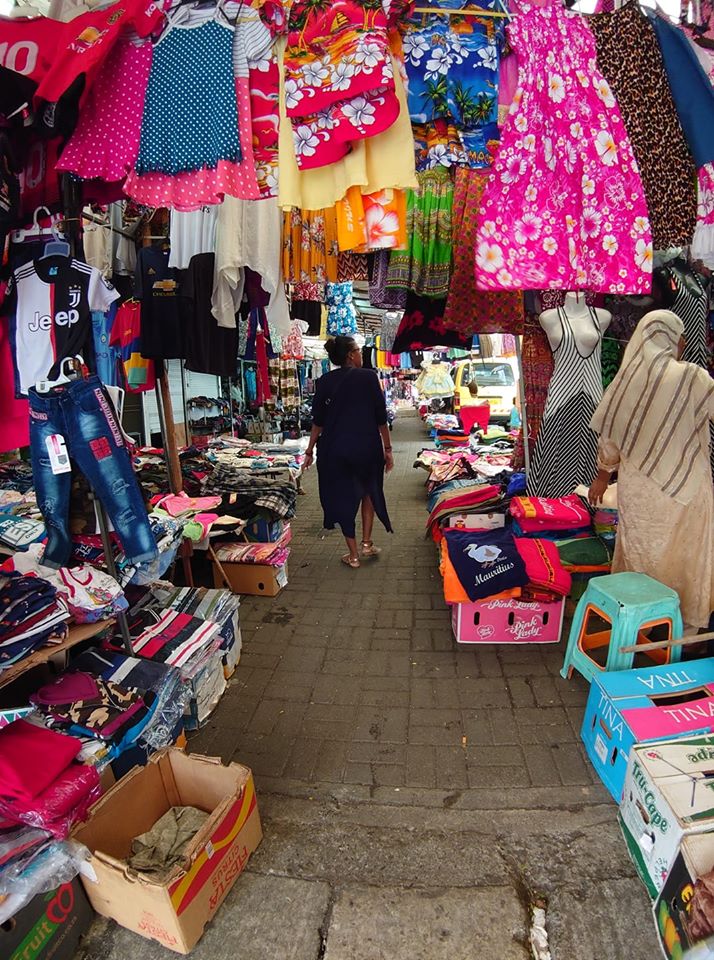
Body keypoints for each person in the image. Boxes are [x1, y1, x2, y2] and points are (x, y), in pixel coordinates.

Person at [589, 310, 714, 629]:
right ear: (670, 337)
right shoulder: (692, 377)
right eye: (681, 334)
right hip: (687, 489)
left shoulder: (624, 383)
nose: (685, 341)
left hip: (639, 493)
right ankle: (682, 629)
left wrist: (602, 477)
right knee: (685, 558)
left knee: (641, 555)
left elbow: (610, 443)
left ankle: (639, 622)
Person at [304, 335, 394, 568]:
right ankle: (366, 543)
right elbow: (380, 418)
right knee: (368, 492)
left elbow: (318, 422)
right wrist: (388, 448)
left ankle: (353, 555)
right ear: (350, 355)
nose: (361, 354)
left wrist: (309, 450)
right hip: (367, 448)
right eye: (358, 350)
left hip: (335, 450)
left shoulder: (324, 382)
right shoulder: (369, 377)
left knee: (343, 497)